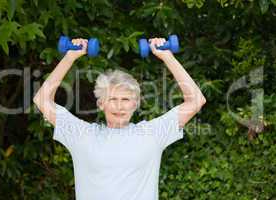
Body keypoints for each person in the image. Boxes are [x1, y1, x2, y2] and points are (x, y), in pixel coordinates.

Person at [33, 37, 206, 200]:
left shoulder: (152, 134)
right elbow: (42, 100)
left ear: (135, 104)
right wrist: (70, 57)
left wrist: (167, 57)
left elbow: (196, 101)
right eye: (112, 99)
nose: (119, 106)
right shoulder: (82, 135)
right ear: (101, 104)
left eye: (125, 99)